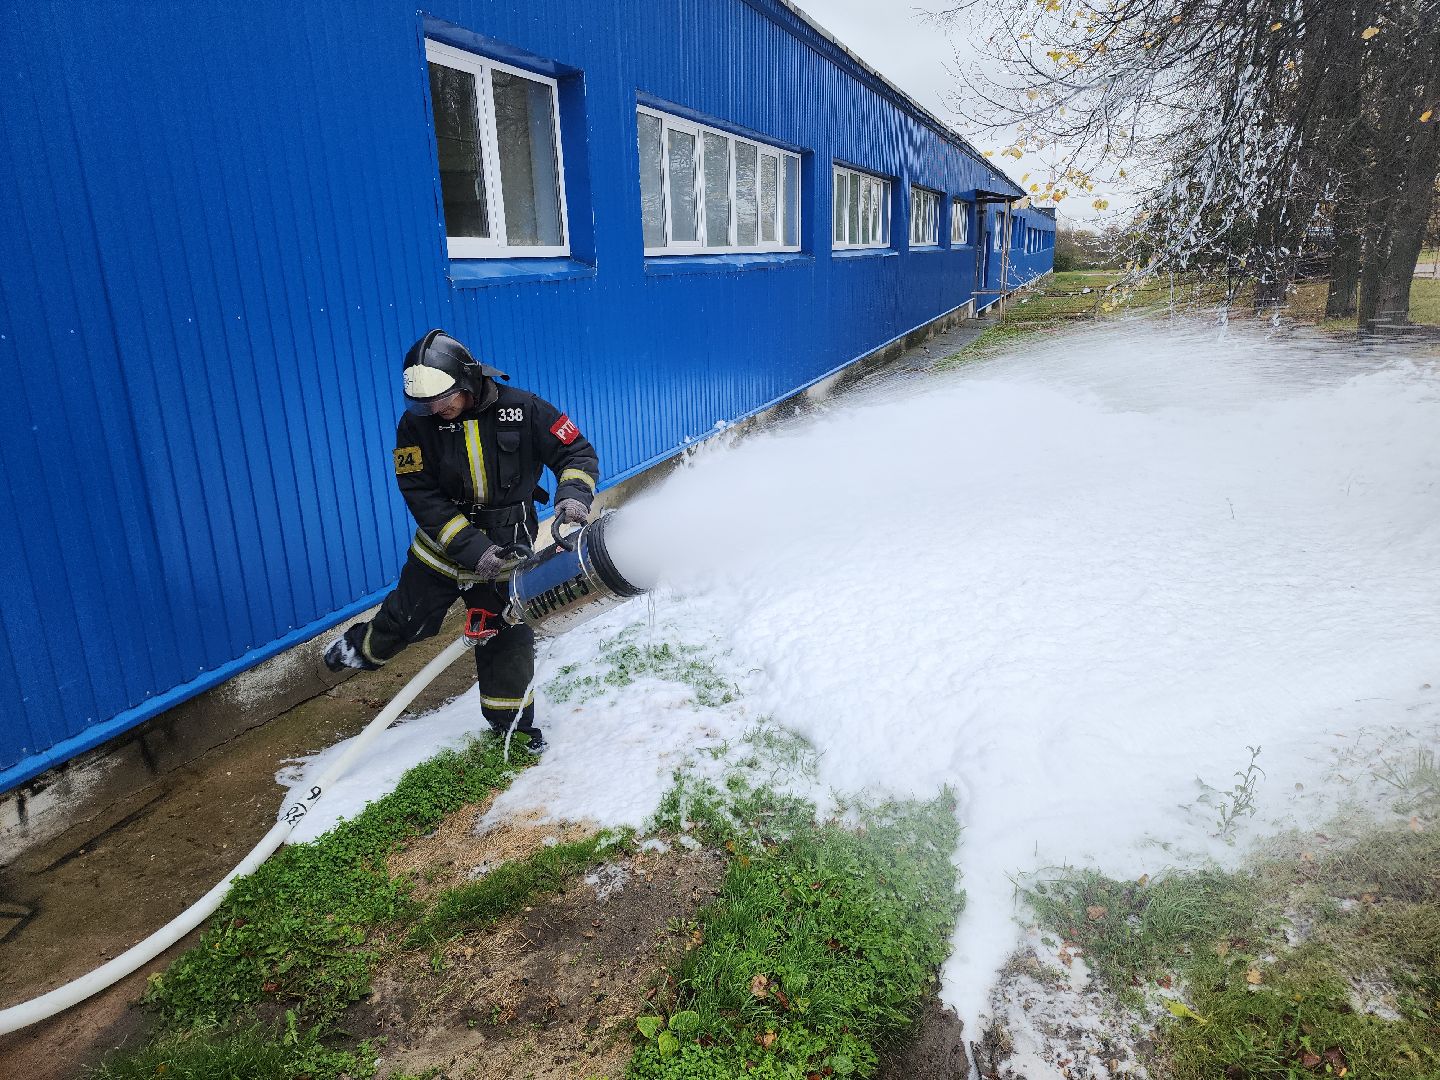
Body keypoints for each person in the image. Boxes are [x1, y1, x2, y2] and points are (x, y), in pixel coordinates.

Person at [324, 329, 599, 754]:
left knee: (504, 637)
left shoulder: (522, 408)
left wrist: (574, 499)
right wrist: (473, 549)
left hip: (509, 552)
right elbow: (420, 493)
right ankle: (361, 649)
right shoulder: (415, 425)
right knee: (405, 620)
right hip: (439, 551)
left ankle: (512, 730)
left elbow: (576, 454)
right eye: (427, 403)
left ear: (468, 379)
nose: (437, 408)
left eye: (444, 398)